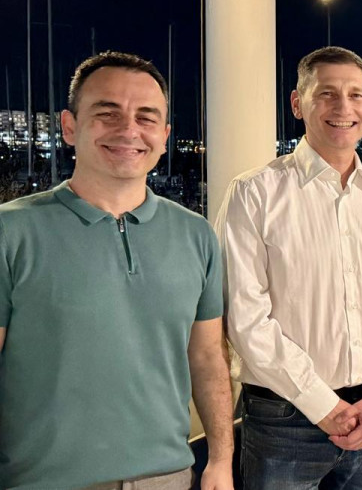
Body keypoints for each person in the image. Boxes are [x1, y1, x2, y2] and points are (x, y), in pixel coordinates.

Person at [0, 51, 233, 489]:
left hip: (167, 477)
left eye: (146, 118)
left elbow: (206, 358)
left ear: (164, 135)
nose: (129, 130)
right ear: (69, 126)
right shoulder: (11, 232)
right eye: (107, 113)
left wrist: (220, 458)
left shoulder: (196, 235)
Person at [217, 46, 362, 489]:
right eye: (326, 93)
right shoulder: (255, 193)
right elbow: (245, 317)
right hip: (283, 417)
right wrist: (319, 402)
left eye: (355, 95)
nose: (342, 107)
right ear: (297, 104)